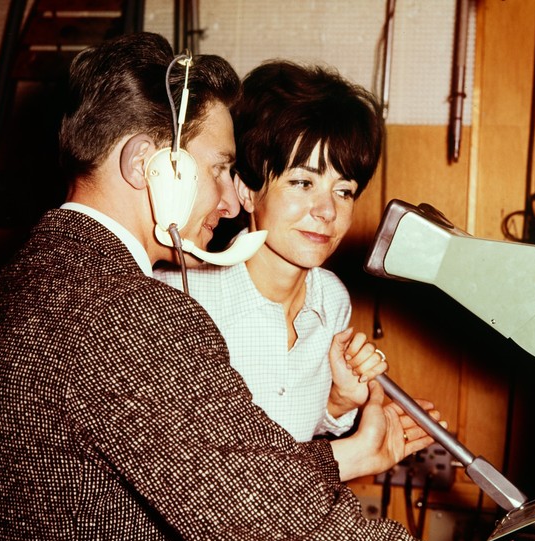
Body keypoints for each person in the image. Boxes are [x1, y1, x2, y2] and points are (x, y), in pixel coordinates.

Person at [0, 32, 514, 541]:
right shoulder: (125, 311)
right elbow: (269, 518)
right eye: (217, 168)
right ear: (149, 164)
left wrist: (339, 417)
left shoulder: (2, 290)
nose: (225, 196)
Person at [156, 60, 386, 443]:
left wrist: (339, 403)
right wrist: (354, 455)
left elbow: (293, 439)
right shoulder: (179, 297)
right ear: (247, 190)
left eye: (343, 190)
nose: (327, 211)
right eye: (302, 182)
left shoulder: (332, 300)